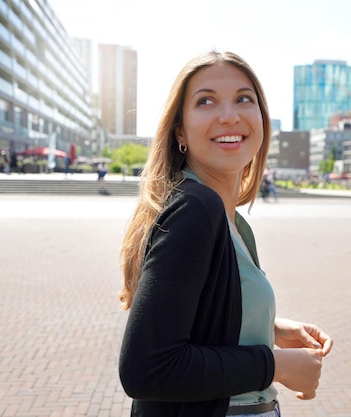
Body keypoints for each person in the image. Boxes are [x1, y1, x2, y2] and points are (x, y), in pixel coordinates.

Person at [118, 50, 333, 417]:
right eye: (206, 101)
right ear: (180, 131)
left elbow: (194, 311)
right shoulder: (195, 209)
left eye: (243, 99)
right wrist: (275, 365)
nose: (230, 115)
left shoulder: (230, 219)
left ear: (262, 119)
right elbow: (147, 369)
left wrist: (267, 327)